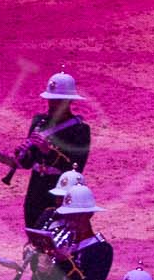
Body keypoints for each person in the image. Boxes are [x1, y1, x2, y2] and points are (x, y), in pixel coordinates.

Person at [10, 71, 93, 228]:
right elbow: (29, 162)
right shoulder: (39, 122)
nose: (52, 104)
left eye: (58, 101)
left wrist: (48, 152)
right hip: (35, 190)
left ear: (69, 101)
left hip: (60, 190)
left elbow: (76, 168)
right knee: (33, 233)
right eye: (51, 100)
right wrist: (22, 154)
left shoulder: (80, 130)